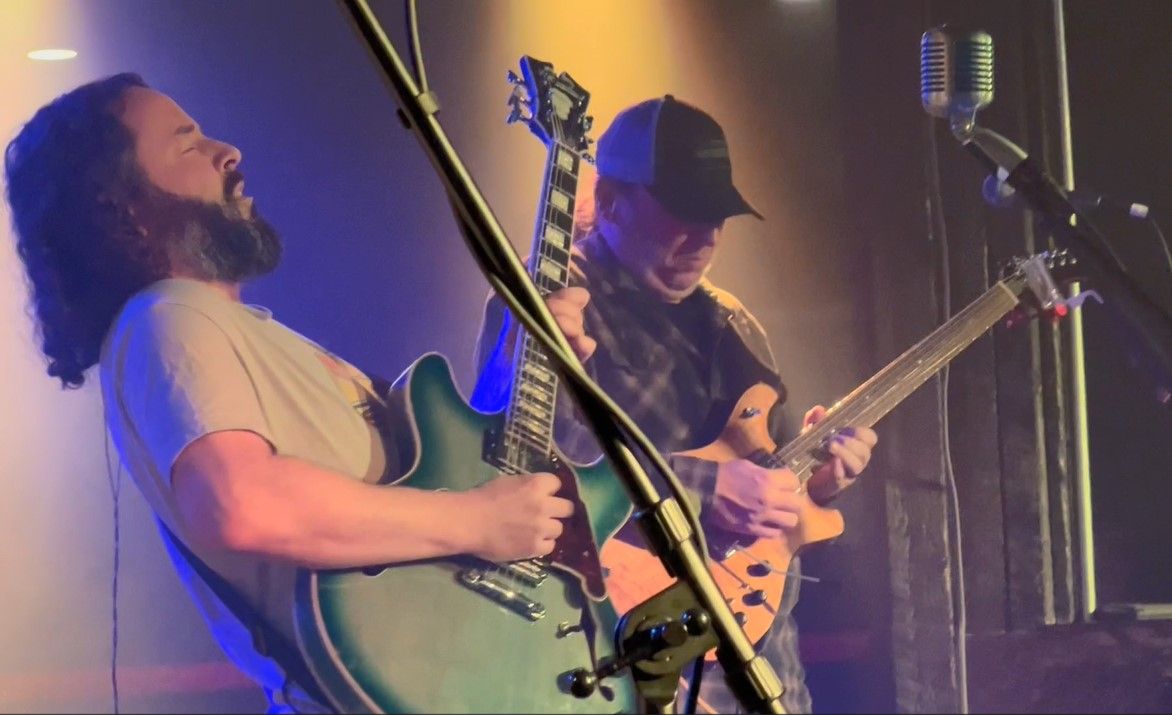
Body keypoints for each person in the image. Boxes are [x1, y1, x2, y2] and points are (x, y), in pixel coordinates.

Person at [4, 73, 584, 714]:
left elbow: (439, 488)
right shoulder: (166, 316)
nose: (228, 152)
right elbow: (240, 504)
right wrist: (477, 520)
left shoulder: (242, 335)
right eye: (188, 143)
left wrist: (514, 355)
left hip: (447, 666)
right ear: (126, 208)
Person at [472, 95, 879, 713]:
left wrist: (818, 481)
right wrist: (704, 489)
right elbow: (524, 461)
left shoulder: (734, 322)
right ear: (612, 202)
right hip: (619, 656)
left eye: (718, 217)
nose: (707, 238)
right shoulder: (550, 302)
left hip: (761, 659)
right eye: (685, 214)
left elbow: (770, 485)